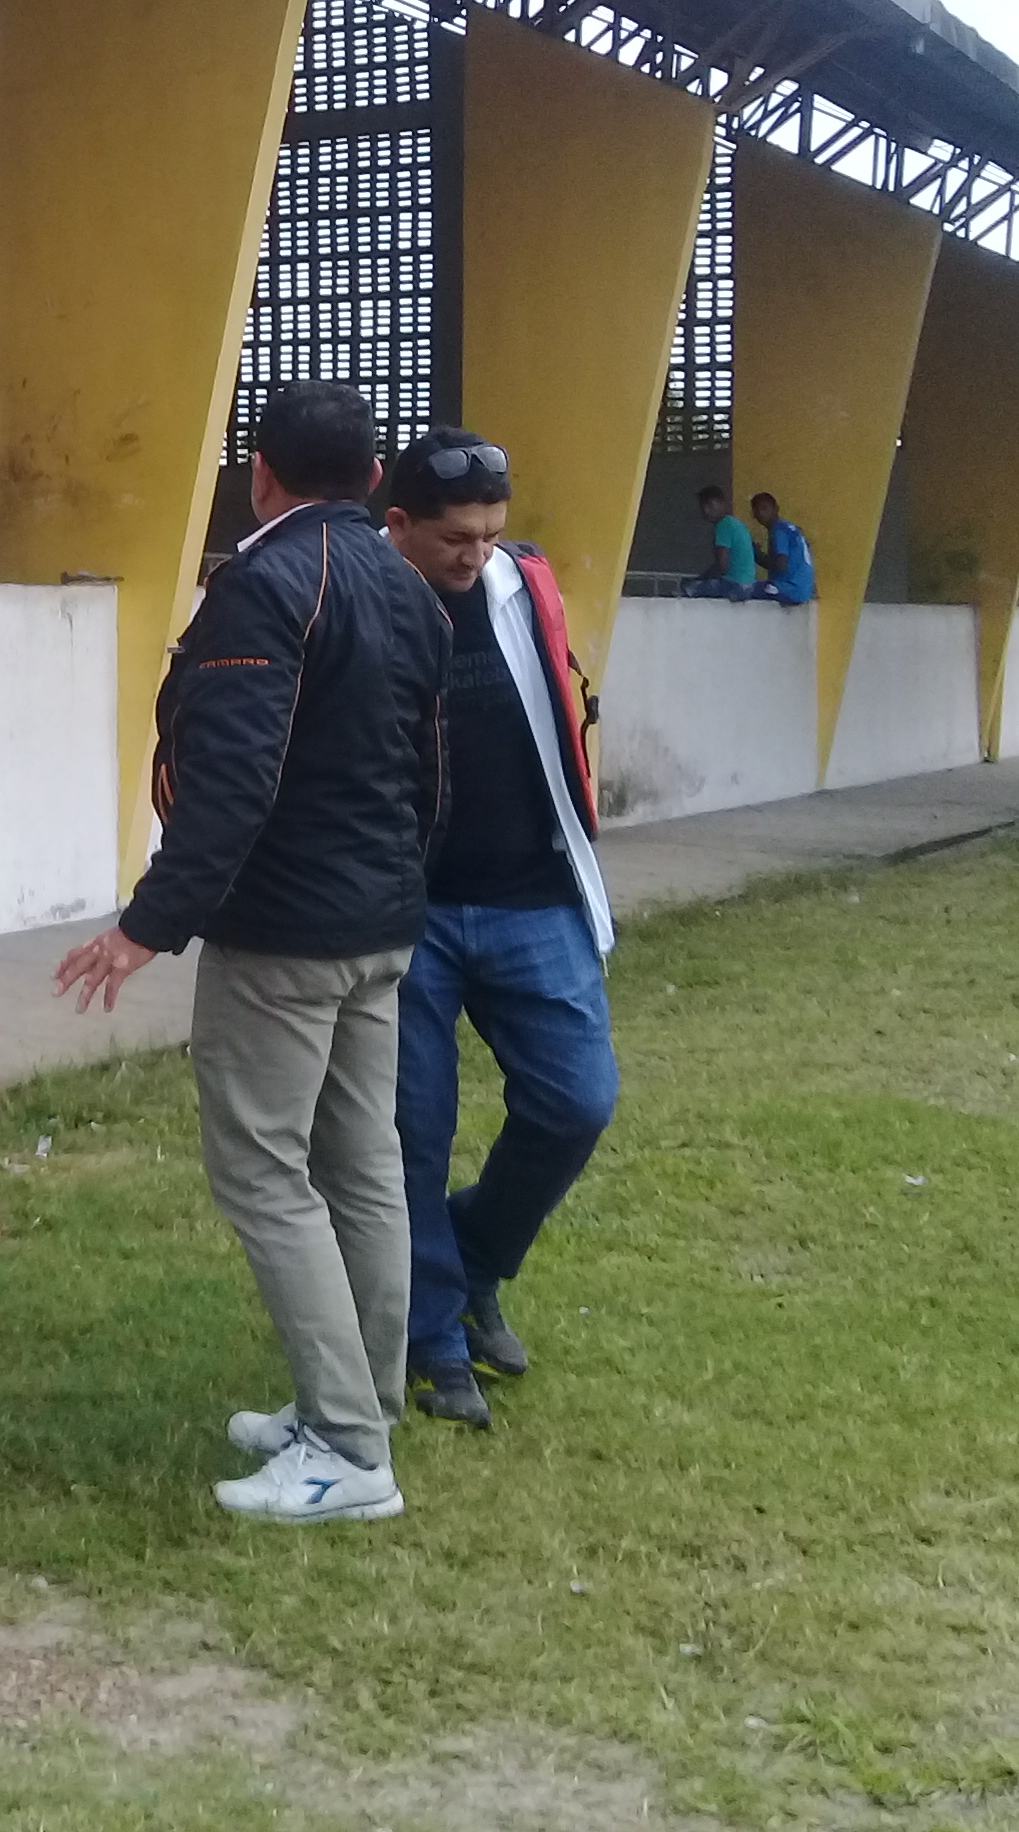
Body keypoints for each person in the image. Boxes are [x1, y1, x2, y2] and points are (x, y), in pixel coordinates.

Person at [53, 383, 450, 1526]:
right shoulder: (410, 587)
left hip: (285, 937)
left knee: (267, 1178)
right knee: (363, 1170)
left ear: (260, 474)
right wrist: (395, 887)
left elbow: (229, 786)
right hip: (378, 927)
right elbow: (433, 777)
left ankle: (348, 1449)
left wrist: (147, 925)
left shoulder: (264, 587)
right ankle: (361, 1405)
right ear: (373, 481)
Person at [379, 431, 618, 1432]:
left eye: (490, 533)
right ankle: (432, 1336)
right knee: (412, 1132)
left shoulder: (524, 586)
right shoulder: (361, 596)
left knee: (577, 1102)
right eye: (455, 538)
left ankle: (471, 1262)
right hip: (406, 914)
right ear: (399, 526)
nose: (476, 555)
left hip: (534, 896)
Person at [679, 483, 759, 598]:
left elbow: (722, 566)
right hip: (749, 586)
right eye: (704, 506)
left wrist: (701, 578)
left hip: (734, 585)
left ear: (722, 503)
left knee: (688, 588)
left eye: (711, 505)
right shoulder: (737, 524)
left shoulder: (723, 525)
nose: (706, 511)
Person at [751, 492, 816, 605]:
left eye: (764, 508)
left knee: (745, 589)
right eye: (756, 510)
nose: (760, 513)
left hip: (789, 589)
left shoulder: (778, 530)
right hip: (803, 590)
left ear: (776, 509)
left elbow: (781, 565)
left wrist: (757, 555)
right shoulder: (790, 528)